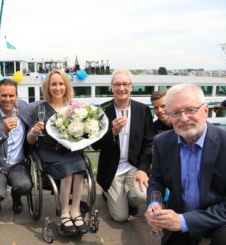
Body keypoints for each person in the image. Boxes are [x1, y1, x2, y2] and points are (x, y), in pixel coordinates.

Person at [145, 83, 226, 245]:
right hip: (177, 211)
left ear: (205, 110)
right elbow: (156, 181)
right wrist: (154, 204)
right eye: (175, 113)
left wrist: (183, 221)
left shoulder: (224, 142)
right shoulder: (162, 142)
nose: (183, 118)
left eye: (190, 110)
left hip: (217, 216)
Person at [27, 69, 88, 236]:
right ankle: (64, 213)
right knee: (68, 171)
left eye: (61, 83)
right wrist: (33, 131)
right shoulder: (40, 109)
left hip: (70, 150)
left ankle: (75, 211)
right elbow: (31, 141)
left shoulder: (74, 107)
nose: (58, 87)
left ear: (66, 86)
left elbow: (82, 132)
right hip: (48, 151)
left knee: (81, 167)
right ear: (48, 87)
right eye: (54, 84)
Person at [92, 69, 153, 222]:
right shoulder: (102, 110)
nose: (121, 88)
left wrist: (143, 169)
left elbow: (149, 143)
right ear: (112, 87)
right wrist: (112, 132)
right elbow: (95, 145)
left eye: (125, 84)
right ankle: (109, 194)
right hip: (112, 167)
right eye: (117, 84)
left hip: (134, 165)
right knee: (120, 217)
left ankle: (128, 198)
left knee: (143, 196)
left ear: (131, 87)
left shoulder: (143, 110)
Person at [0, 78, 32, 215]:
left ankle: (16, 197)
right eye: (3, 95)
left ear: (16, 97)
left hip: (17, 164)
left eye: (11, 95)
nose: (8, 99)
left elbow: (42, 105)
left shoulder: (24, 108)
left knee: (25, 186)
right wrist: (3, 132)